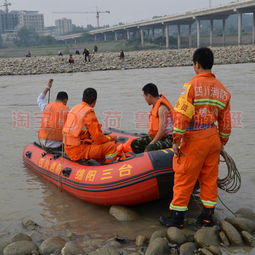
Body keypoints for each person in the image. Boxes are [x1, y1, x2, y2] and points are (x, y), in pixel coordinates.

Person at [159, 47, 232, 228]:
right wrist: (221, 142)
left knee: (184, 177)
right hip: (212, 138)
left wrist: (176, 140)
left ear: (196, 64)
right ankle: (207, 217)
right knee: (209, 179)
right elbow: (226, 123)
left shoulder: (191, 87)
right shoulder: (223, 91)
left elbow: (182, 116)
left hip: (194, 140)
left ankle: (177, 218)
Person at [62, 88, 118, 163]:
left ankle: (100, 162)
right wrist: (111, 138)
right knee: (111, 146)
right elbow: (98, 138)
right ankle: (108, 167)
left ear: (82, 98)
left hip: (68, 148)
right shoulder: (89, 113)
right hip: (78, 151)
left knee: (96, 145)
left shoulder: (74, 109)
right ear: (94, 102)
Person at [130, 83, 174, 153]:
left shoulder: (162, 108)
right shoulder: (155, 106)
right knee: (135, 144)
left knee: (151, 147)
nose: (145, 99)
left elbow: (162, 131)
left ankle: (149, 160)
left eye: (145, 96)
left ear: (149, 96)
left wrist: (152, 143)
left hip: (169, 138)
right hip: (159, 137)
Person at [37, 79, 69, 150]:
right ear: (65, 100)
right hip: (58, 146)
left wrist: (48, 87)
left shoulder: (45, 107)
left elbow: (39, 99)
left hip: (44, 143)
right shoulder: (67, 111)